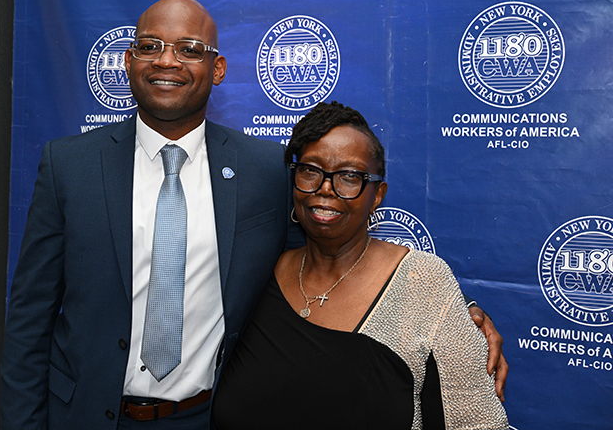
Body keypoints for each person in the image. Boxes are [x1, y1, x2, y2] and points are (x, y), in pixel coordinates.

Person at [1, 0, 506, 430]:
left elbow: (324, 256)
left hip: (210, 417)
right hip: (86, 415)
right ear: (129, 61)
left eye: (189, 49)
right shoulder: (68, 165)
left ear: (217, 69)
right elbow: (29, 321)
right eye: (151, 46)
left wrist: (451, 321)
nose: (167, 61)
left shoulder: (266, 169)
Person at [212, 102, 508, 429]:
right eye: (310, 170)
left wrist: (463, 314)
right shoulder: (262, 269)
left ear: (377, 195)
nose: (326, 188)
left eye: (349, 176)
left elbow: (477, 422)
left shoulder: (424, 282)